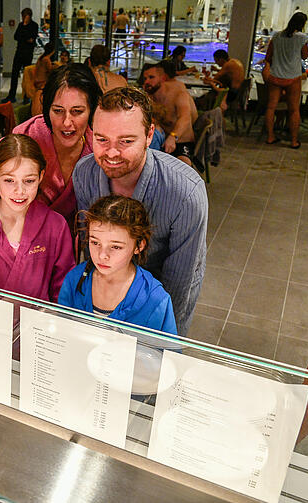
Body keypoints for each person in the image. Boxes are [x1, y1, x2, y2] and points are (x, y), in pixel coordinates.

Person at [73, 86, 207, 336]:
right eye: (102, 139)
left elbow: (180, 282)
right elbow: (88, 247)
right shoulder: (83, 173)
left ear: (149, 135)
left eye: (126, 141)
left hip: (159, 299)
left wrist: (160, 342)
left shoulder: (186, 193)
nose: (111, 152)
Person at [0, 64, 102, 232]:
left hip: (67, 242)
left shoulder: (97, 149)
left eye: (77, 111)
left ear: (91, 110)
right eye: (58, 111)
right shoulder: (25, 137)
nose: (67, 122)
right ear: (46, 108)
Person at [0, 134, 74, 302]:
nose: (19, 191)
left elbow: (63, 291)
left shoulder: (56, 225)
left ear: (41, 177)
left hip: (39, 324)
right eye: (9, 180)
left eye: (29, 181)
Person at [58, 195, 176, 334]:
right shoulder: (75, 279)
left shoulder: (156, 300)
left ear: (139, 246)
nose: (102, 255)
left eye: (115, 247)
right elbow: (61, 335)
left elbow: (167, 354)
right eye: (95, 243)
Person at [264, 12, 308, 148]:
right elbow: (305, 56)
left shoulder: (276, 36)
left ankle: (270, 137)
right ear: (302, 24)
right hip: (293, 77)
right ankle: (294, 141)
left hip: (275, 76)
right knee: (294, 110)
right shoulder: (302, 37)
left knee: (271, 107)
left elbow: (268, 57)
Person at [142, 62, 197, 165]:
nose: (147, 82)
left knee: (184, 165)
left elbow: (185, 118)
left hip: (181, 141)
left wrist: (173, 137)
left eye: (151, 77)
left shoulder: (178, 93)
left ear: (163, 78)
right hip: (162, 142)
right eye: (145, 79)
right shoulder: (149, 97)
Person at [4, 8, 38, 103]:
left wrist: (24, 36)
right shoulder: (20, 25)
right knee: (14, 74)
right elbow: (16, 36)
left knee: (27, 75)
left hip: (27, 53)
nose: (23, 18)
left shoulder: (34, 25)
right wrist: (25, 35)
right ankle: (12, 95)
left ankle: (26, 96)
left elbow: (32, 38)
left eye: (24, 16)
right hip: (19, 52)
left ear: (29, 16)